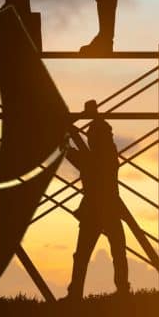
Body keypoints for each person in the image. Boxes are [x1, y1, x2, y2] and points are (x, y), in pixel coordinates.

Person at [64, 100, 129, 299]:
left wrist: (84, 117)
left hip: (97, 209)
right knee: (114, 251)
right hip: (104, 208)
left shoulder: (101, 157)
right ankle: (121, 291)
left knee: (88, 254)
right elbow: (81, 151)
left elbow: (78, 155)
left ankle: (77, 293)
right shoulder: (107, 154)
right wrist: (91, 114)